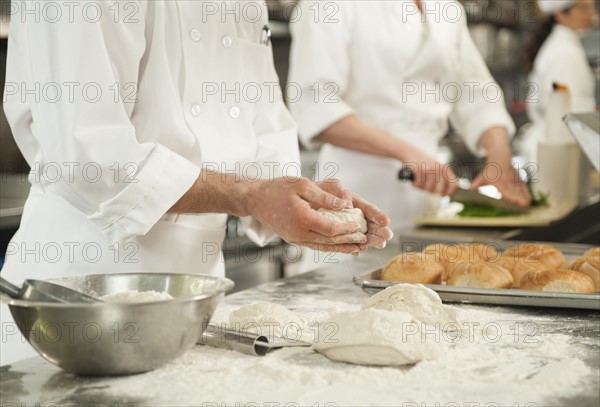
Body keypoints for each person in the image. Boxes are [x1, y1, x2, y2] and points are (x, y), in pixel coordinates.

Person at [0, 1, 392, 365]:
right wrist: (252, 197)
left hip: (194, 306)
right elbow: (89, 156)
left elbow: (266, 126)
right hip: (75, 302)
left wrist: (301, 201)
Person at [288, 0, 531, 233]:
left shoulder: (447, 8)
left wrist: (499, 157)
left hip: (429, 203)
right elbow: (315, 104)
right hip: (353, 196)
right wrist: (409, 153)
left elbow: (476, 93)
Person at [522, 0, 598, 161]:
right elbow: (567, 113)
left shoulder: (566, 46)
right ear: (561, 14)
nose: (593, 15)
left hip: (560, 149)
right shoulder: (565, 53)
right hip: (558, 153)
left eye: (593, 8)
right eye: (584, 8)